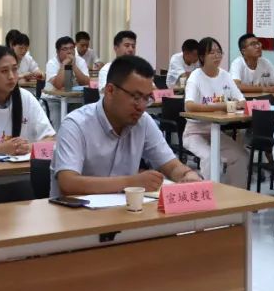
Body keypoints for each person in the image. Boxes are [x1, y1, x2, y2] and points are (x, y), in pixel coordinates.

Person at [52, 55, 202, 197]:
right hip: (78, 212)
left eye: (147, 98)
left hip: (124, 209)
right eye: (136, 97)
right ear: (110, 91)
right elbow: (68, 183)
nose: (141, 106)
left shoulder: (143, 122)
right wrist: (131, 182)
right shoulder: (76, 125)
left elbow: (171, 166)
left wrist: (187, 174)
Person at [182, 37, 247, 186]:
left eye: (219, 52)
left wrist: (234, 104)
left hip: (216, 131)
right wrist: (221, 106)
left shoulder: (225, 75)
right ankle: (209, 195)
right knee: (211, 158)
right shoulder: (196, 76)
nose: (217, 56)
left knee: (241, 156)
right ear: (202, 57)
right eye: (212, 52)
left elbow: (242, 101)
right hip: (195, 132)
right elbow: (189, 106)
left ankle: (234, 195)